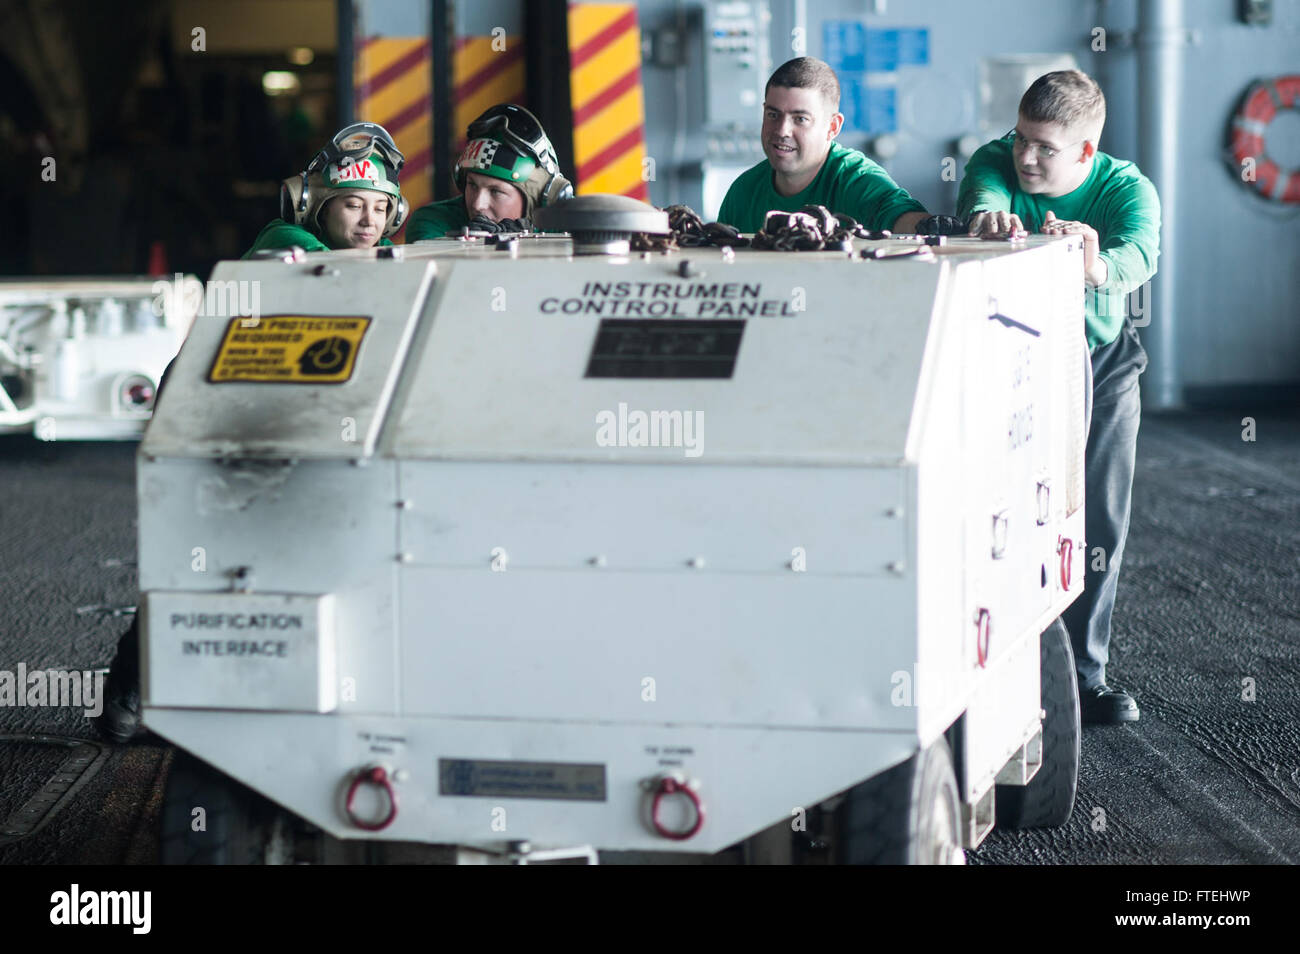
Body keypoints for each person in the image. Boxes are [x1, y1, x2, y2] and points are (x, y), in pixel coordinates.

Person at [958, 69, 1161, 725]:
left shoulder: (1128, 190)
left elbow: (1140, 257)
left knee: (1096, 515)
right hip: (1011, 359)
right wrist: (985, 216)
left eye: (1045, 148)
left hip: (1101, 360)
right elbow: (984, 187)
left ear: (1085, 154)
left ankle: (1082, 677)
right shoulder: (997, 162)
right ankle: (992, 663)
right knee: (997, 504)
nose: (1025, 157)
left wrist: (1097, 267)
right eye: (1022, 139)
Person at [716, 57, 928, 235]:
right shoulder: (743, 192)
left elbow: (903, 217)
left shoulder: (857, 180)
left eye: (800, 119)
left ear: (832, 127)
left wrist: (940, 228)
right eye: (773, 115)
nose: (782, 131)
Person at [405, 104, 573, 240]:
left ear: (538, 197)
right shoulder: (431, 222)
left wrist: (520, 238)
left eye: (495, 191)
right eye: (472, 185)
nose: (478, 204)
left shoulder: (567, 223)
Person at [243, 121, 408, 256]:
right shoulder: (283, 237)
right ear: (321, 208)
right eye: (354, 205)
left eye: (380, 209)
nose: (369, 221)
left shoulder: (379, 245)